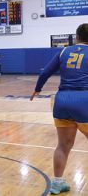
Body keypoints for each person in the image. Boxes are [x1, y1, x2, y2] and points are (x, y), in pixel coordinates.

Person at [30, 23, 88, 195]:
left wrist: (38, 89)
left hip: (62, 100)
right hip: (84, 100)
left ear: (76, 37)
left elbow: (44, 73)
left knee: (63, 145)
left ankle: (57, 183)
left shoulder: (63, 52)